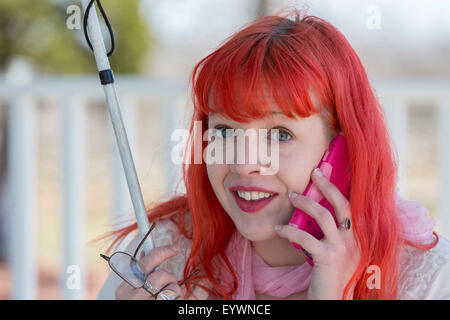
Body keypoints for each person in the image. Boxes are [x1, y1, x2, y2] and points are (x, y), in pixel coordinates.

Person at [96, 10, 450, 300]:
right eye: (225, 131)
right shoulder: (161, 257)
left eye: (280, 135)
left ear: (342, 151)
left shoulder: (426, 280)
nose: (243, 163)